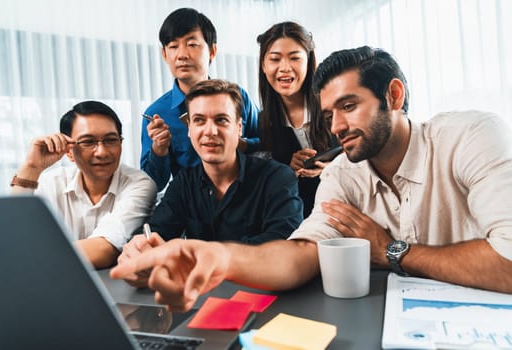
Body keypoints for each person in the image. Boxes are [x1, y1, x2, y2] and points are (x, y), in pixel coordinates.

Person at [111, 46, 512, 310]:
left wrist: (393, 251)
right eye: (327, 115)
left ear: (393, 95)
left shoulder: (472, 136)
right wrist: (220, 256)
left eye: (349, 106)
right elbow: (301, 253)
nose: (336, 127)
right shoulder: (341, 174)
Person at [118, 79, 303, 287]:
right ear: (189, 129)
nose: (210, 131)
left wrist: (200, 256)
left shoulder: (277, 178)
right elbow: (156, 230)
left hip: (266, 294)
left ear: (239, 127)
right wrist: (139, 248)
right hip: (202, 298)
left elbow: (282, 244)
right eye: (199, 120)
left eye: (221, 120)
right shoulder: (184, 183)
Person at [11, 101, 157, 269]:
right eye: (88, 142)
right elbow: (16, 235)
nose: (102, 152)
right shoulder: (51, 183)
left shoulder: (140, 184)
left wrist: (27, 256)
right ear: (69, 151)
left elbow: (104, 249)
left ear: (121, 144)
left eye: (110, 140)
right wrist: (31, 168)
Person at [141, 7, 260, 192]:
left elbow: (266, 145)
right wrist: (159, 149)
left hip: (244, 197)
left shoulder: (237, 97)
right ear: (164, 54)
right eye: (173, 46)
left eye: (192, 44)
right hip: (191, 208)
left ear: (212, 51)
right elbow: (152, 185)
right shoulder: (156, 113)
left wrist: (240, 143)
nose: (182, 55)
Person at [257, 21, 339, 218]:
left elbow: (365, 156)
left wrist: (333, 168)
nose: (284, 68)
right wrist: (289, 167)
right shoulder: (264, 120)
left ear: (308, 61)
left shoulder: (331, 103)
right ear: (263, 65)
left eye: (294, 58)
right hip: (305, 218)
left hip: (347, 204)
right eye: (275, 59)